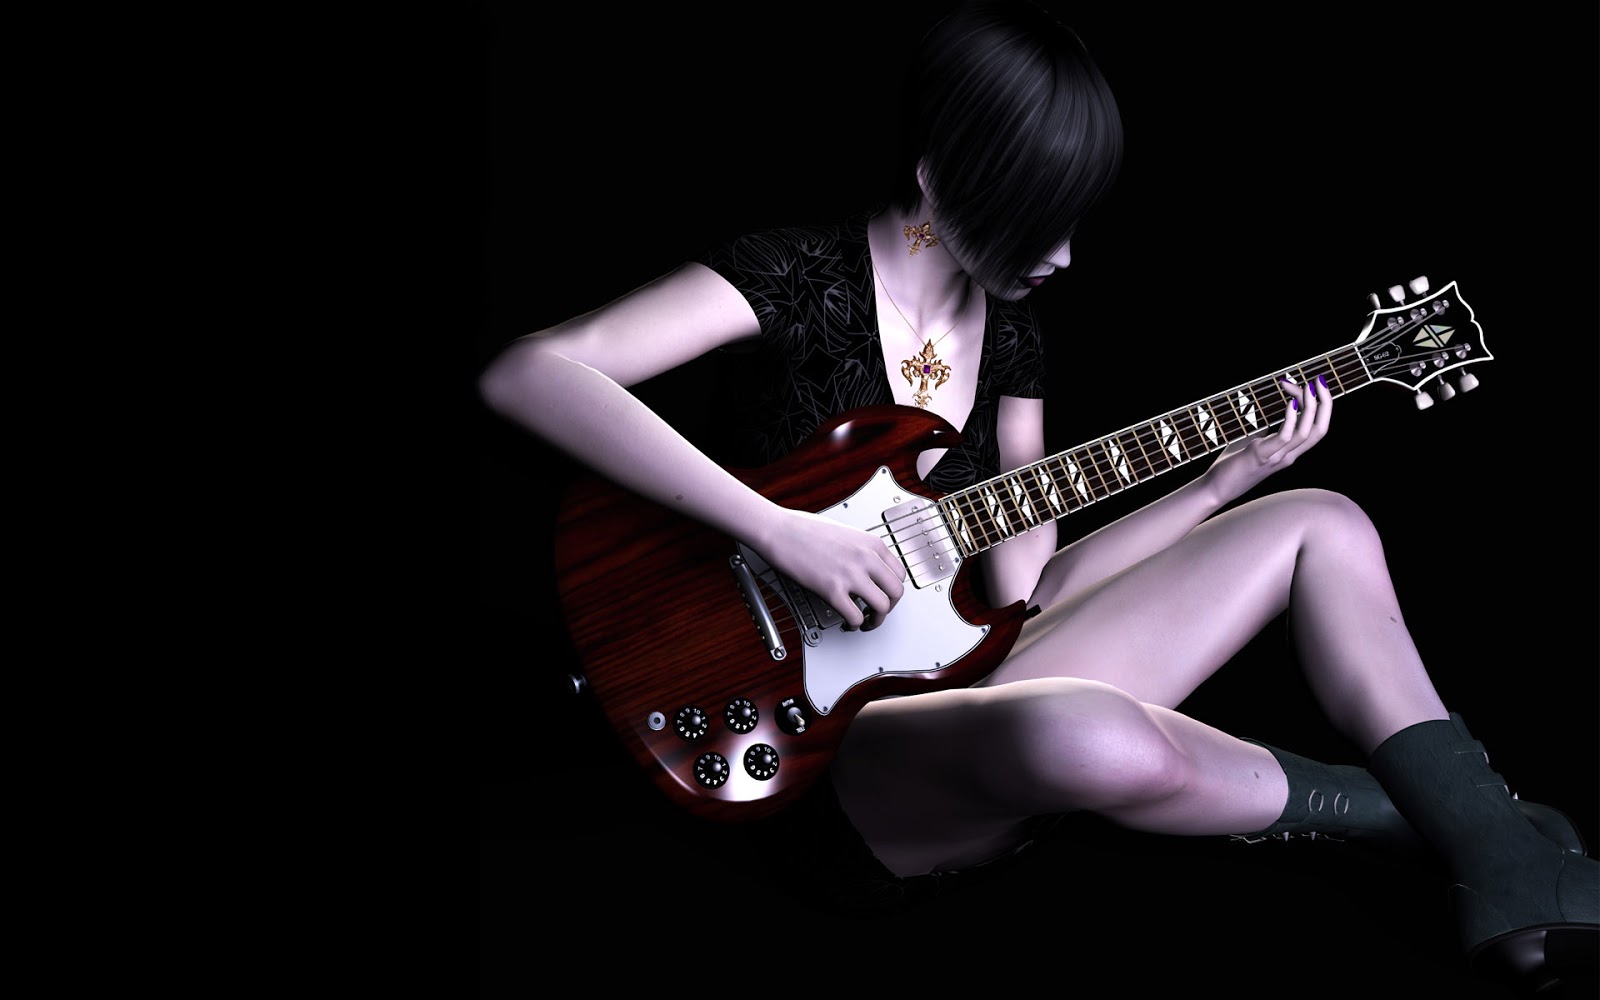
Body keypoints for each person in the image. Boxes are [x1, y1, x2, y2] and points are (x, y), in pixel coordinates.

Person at [477, 0, 1596, 991]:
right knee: (1084, 736)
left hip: (965, 685)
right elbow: (530, 373)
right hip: (836, 761)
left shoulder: (1011, 335)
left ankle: (1494, 852)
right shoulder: (792, 276)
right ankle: (1438, 819)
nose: (1061, 254)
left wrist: (1223, 481)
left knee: (1322, 519)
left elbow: (1036, 592)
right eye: (1036, 216)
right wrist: (778, 531)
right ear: (938, 178)